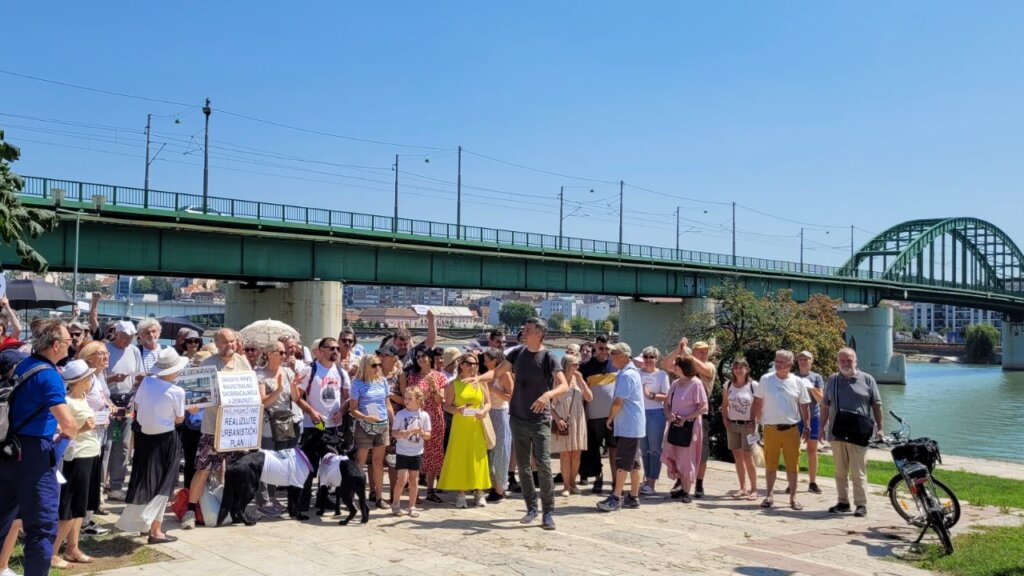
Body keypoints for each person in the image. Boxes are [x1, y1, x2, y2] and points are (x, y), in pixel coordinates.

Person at [472, 318, 568, 530]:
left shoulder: (549, 357)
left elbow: (564, 386)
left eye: (529, 329)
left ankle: (548, 512)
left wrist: (547, 395)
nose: (524, 332)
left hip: (540, 419)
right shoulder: (516, 354)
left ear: (540, 334)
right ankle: (531, 508)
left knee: (543, 464)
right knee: (522, 466)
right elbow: (496, 373)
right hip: (517, 417)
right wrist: (480, 378)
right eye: (524, 328)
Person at [0, 320, 78, 576]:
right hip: (35, 454)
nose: (71, 344)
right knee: (41, 527)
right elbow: (68, 423)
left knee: (3, 520)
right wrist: (64, 438)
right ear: (56, 345)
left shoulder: (22, 365)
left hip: (8, 448)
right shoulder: (49, 375)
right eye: (68, 341)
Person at [182, 328, 254, 529]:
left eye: (232, 341)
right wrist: (193, 402)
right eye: (225, 342)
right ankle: (190, 510)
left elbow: (250, 391)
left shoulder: (243, 361)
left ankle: (237, 509)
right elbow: (196, 398)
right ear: (216, 343)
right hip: (213, 427)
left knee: (238, 471)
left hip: (236, 428)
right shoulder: (207, 364)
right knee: (203, 469)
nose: (229, 345)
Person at [115, 348, 186, 543]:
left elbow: (138, 406)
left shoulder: (147, 382)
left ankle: (144, 525)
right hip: (165, 439)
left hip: (146, 437)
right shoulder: (177, 391)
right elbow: (180, 419)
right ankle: (155, 530)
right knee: (164, 483)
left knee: (144, 480)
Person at [822, 348, 883, 517]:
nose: (845, 363)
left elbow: (876, 405)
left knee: (858, 471)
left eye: (849, 360)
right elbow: (825, 405)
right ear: (837, 362)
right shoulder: (832, 380)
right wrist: (821, 428)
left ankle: (861, 504)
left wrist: (880, 428)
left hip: (859, 432)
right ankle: (843, 502)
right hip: (837, 431)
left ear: (855, 361)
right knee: (840, 470)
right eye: (842, 360)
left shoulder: (868, 380)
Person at [52, 360, 100, 569]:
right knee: (71, 507)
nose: (91, 381)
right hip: (77, 456)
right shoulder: (67, 401)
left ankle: (72, 547)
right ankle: (52, 552)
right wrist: (82, 428)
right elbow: (61, 433)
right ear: (80, 381)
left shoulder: (81, 398)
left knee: (80, 507)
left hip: (90, 452)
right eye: (89, 377)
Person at [292, 337, 348, 516]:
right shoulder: (310, 370)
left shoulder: (340, 371)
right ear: (321, 350)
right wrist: (311, 412)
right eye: (331, 348)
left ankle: (323, 500)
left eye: (337, 349)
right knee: (308, 466)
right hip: (312, 426)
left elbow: (347, 397)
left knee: (329, 465)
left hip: (332, 427)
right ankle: (303, 501)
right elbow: (297, 397)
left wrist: (343, 411)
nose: (335, 352)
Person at [751, 350, 811, 510]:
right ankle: (769, 496)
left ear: (790, 364)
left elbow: (804, 406)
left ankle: (793, 498)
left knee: (793, 465)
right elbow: (757, 402)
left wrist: (807, 426)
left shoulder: (798, 382)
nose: (777, 364)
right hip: (771, 429)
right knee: (770, 464)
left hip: (792, 429)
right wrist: (753, 422)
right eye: (776, 361)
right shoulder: (766, 379)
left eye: (782, 362)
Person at [438, 354, 492, 508]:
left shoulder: (481, 382)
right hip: (460, 424)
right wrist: (457, 410)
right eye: (469, 363)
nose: (473, 366)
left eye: (475, 363)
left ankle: (479, 491)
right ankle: (461, 493)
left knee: (478, 458)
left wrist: (484, 410)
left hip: (476, 424)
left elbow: (488, 403)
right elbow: (446, 405)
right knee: (460, 457)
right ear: (461, 365)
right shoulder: (453, 384)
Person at [597, 343, 645, 512]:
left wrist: (610, 418)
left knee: (623, 462)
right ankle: (633, 496)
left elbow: (618, 401)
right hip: (633, 424)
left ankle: (616, 497)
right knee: (633, 462)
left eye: (614, 353)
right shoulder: (630, 373)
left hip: (628, 425)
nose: (610, 356)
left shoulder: (626, 375)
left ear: (623, 355)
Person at [255, 340, 298, 517]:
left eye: (284, 352)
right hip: (267, 423)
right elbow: (263, 402)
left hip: (284, 423)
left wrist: (294, 385)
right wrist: (279, 389)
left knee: (279, 462)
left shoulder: (288, 372)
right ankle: (263, 500)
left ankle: (271, 498)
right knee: (266, 462)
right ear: (270, 354)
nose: (284, 355)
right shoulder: (260, 375)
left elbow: (295, 398)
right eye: (280, 352)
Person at [74, 342, 112, 532]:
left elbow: (103, 398)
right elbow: (77, 403)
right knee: (85, 478)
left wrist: (110, 407)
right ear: (89, 358)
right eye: (101, 354)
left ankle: (87, 519)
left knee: (94, 477)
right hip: (85, 434)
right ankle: (80, 522)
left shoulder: (100, 375)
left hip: (99, 432)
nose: (106, 357)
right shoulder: (85, 379)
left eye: (107, 353)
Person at [399, 348, 446, 503]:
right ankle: (415, 490)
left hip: (435, 419)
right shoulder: (412, 377)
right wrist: (427, 393)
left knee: (433, 453)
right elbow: (412, 399)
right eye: (417, 357)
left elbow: (441, 401)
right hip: (416, 418)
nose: (420, 359)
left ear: (430, 358)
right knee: (417, 453)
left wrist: (434, 389)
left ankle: (431, 489)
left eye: (423, 356)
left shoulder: (439, 376)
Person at [104, 320, 144, 501]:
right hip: (108, 400)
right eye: (125, 337)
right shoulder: (105, 349)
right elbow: (96, 376)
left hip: (127, 401)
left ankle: (116, 485)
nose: (127, 341)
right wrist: (112, 378)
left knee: (122, 445)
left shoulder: (134, 350)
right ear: (116, 334)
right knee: (108, 444)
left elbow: (138, 375)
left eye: (131, 338)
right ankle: (101, 485)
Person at [349, 354, 395, 510]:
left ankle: (379, 497)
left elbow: (387, 404)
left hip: (382, 425)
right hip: (364, 426)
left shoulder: (382, 381)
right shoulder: (357, 383)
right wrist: (366, 417)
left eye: (378, 365)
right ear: (366, 366)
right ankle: (354, 497)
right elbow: (353, 409)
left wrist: (394, 423)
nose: (377, 368)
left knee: (378, 462)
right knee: (360, 461)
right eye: (374, 365)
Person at [661, 357, 709, 504]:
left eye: (676, 365)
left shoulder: (696, 383)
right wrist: (669, 415)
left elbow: (704, 407)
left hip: (690, 427)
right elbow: (666, 403)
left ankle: (687, 491)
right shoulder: (675, 384)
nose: (674, 367)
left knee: (687, 457)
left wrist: (686, 418)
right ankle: (681, 487)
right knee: (675, 455)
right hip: (675, 425)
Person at [579, 335, 617, 493]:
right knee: (594, 450)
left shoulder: (616, 365)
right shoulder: (585, 367)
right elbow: (581, 394)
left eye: (607, 349)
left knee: (614, 449)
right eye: (601, 348)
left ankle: (616, 481)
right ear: (595, 347)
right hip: (593, 417)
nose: (604, 352)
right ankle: (598, 478)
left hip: (614, 416)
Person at [552, 354, 590, 496]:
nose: (577, 367)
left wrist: (581, 380)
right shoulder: (557, 380)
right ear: (567, 365)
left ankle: (573, 483)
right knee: (565, 454)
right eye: (575, 364)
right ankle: (566, 486)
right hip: (563, 419)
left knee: (576, 454)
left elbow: (589, 397)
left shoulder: (578, 380)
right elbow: (549, 403)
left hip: (578, 418)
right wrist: (556, 419)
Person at [721, 358, 759, 500]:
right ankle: (742, 487)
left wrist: (755, 421)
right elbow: (725, 405)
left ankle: (754, 489)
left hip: (748, 426)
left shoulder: (753, 385)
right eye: (736, 367)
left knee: (748, 457)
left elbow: (759, 405)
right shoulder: (728, 385)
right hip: (733, 425)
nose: (738, 369)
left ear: (747, 370)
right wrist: (725, 420)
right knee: (737, 457)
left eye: (742, 367)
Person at [391, 387, 431, 517]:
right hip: (402, 451)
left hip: (417, 451)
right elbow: (394, 432)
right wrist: (401, 434)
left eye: (410, 398)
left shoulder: (424, 415)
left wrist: (422, 433)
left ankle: (411, 506)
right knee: (401, 479)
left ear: (419, 400)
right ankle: (396, 503)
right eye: (405, 398)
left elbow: (428, 435)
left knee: (414, 480)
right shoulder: (401, 414)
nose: (406, 401)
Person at [637, 346, 670, 495]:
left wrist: (651, 395)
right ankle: (647, 477)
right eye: (646, 357)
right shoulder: (637, 374)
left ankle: (652, 481)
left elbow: (667, 396)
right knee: (644, 449)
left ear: (657, 359)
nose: (649, 360)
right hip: (640, 414)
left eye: (652, 357)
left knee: (655, 449)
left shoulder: (662, 375)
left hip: (656, 413)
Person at [482, 349, 514, 503]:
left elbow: (511, 396)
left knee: (501, 451)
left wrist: (492, 388)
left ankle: (500, 488)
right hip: (488, 414)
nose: (484, 362)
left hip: (501, 414)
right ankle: (492, 483)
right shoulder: (488, 373)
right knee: (490, 452)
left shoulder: (504, 375)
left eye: (487, 359)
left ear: (494, 360)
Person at [795, 350, 825, 494]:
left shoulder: (816, 377)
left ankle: (812, 482)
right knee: (794, 450)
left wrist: (810, 388)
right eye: (801, 359)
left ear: (811, 361)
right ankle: (792, 481)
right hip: (795, 418)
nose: (803, 361)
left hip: (814, 418)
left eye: (806, 359)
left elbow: (821, 399)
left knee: (812, 451)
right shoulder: (792, 376)